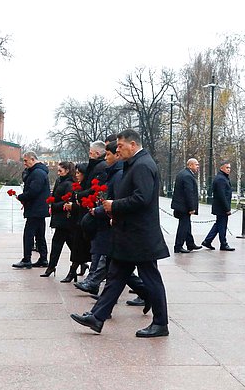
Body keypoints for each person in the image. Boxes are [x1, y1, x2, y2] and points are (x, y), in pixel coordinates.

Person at [70, 128, 170, 338]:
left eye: (121, 146)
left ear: (133, 145)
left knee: (150, 279)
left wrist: (114, 205)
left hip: (140, 235)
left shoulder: (142, 165)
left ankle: (161, 323)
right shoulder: (136, 163)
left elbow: (141, 198)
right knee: (115, 276)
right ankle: (97, 317)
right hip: (130, 234)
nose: (119, 149)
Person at [74, 141, 123, 294]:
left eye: (108, 154)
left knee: (114, 260)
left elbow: (117, 197)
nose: (105, 157)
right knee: (109, 258)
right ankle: (95, 286)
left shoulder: (115, 171)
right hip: (107, 216)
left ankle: (94, 283)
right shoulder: (110, 170)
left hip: (112, 219)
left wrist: (101, 209)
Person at [12, 152, 50, 269]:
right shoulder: (39, 172)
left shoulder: (37, 173)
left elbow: (33, 191)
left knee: (29, 234)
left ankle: (27, 259)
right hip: (40, 208)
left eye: (25, 161)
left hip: (35, 208)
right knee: (39, 234)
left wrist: (22, 197)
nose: (24, 164)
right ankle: (43, 258)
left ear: (32, 159)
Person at [41, 162, 75, 279]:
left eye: (60, 171)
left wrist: (54, 205)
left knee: (58, 243)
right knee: (71, 243)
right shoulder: (60, 181)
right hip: (59, 217)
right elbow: (56, 195)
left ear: (67, 171)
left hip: (65, 218)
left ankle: (52, 266)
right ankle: (79, 262)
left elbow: (68, 200)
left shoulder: (69, 183)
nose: (58, 173)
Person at [60, 162, 92, 282]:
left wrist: (73, 205)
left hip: (83, 221)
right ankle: (74, 270)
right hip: (77, 221)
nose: (77, 175)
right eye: (76, 172)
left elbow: (86, 205)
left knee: (82, 249)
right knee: (77, 248)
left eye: (79, 173)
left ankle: (74, 271)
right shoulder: (77, 186)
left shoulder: (85, 188)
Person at [202, 160, 235, 251]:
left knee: (219, 225)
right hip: (221, 207)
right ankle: (223, 244)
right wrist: (227, 208)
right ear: (221, 168)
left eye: (229, 168)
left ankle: (207, 241)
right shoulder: (221, 179)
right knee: (222, 226)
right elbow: (221, 195)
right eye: (227, 167)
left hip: (220, 207)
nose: (229, 169)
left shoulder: (223, 177)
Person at [170, 158, 201, 253]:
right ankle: (178, 246)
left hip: (180, 205)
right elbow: (189, 192)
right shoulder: (187, 176)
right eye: (196, 164)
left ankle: (190, 243)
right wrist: (191, 208)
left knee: (186, 225)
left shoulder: (183, 173)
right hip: (184, 207)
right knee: (183, 226)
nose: (198, 167)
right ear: (190, 165)